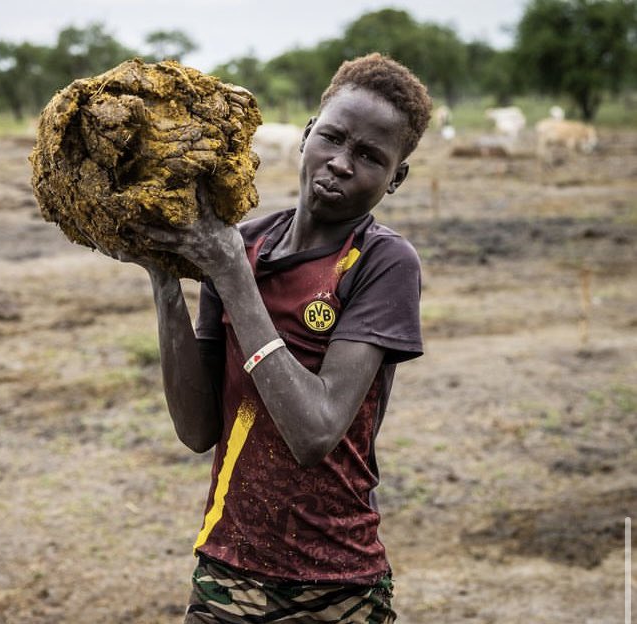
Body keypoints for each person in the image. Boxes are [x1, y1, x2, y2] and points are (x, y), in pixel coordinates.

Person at [126, 52, 432, 623]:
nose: (341, 163)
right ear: (307, 135)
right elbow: (197, 430)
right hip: (228, 570)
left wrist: (233, 275)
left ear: (397, 178)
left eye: (370, 156)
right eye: (334, 138)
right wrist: (163, 278)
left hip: (336, 582)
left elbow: (314, 431)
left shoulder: (381, 263)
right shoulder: (243, 245)